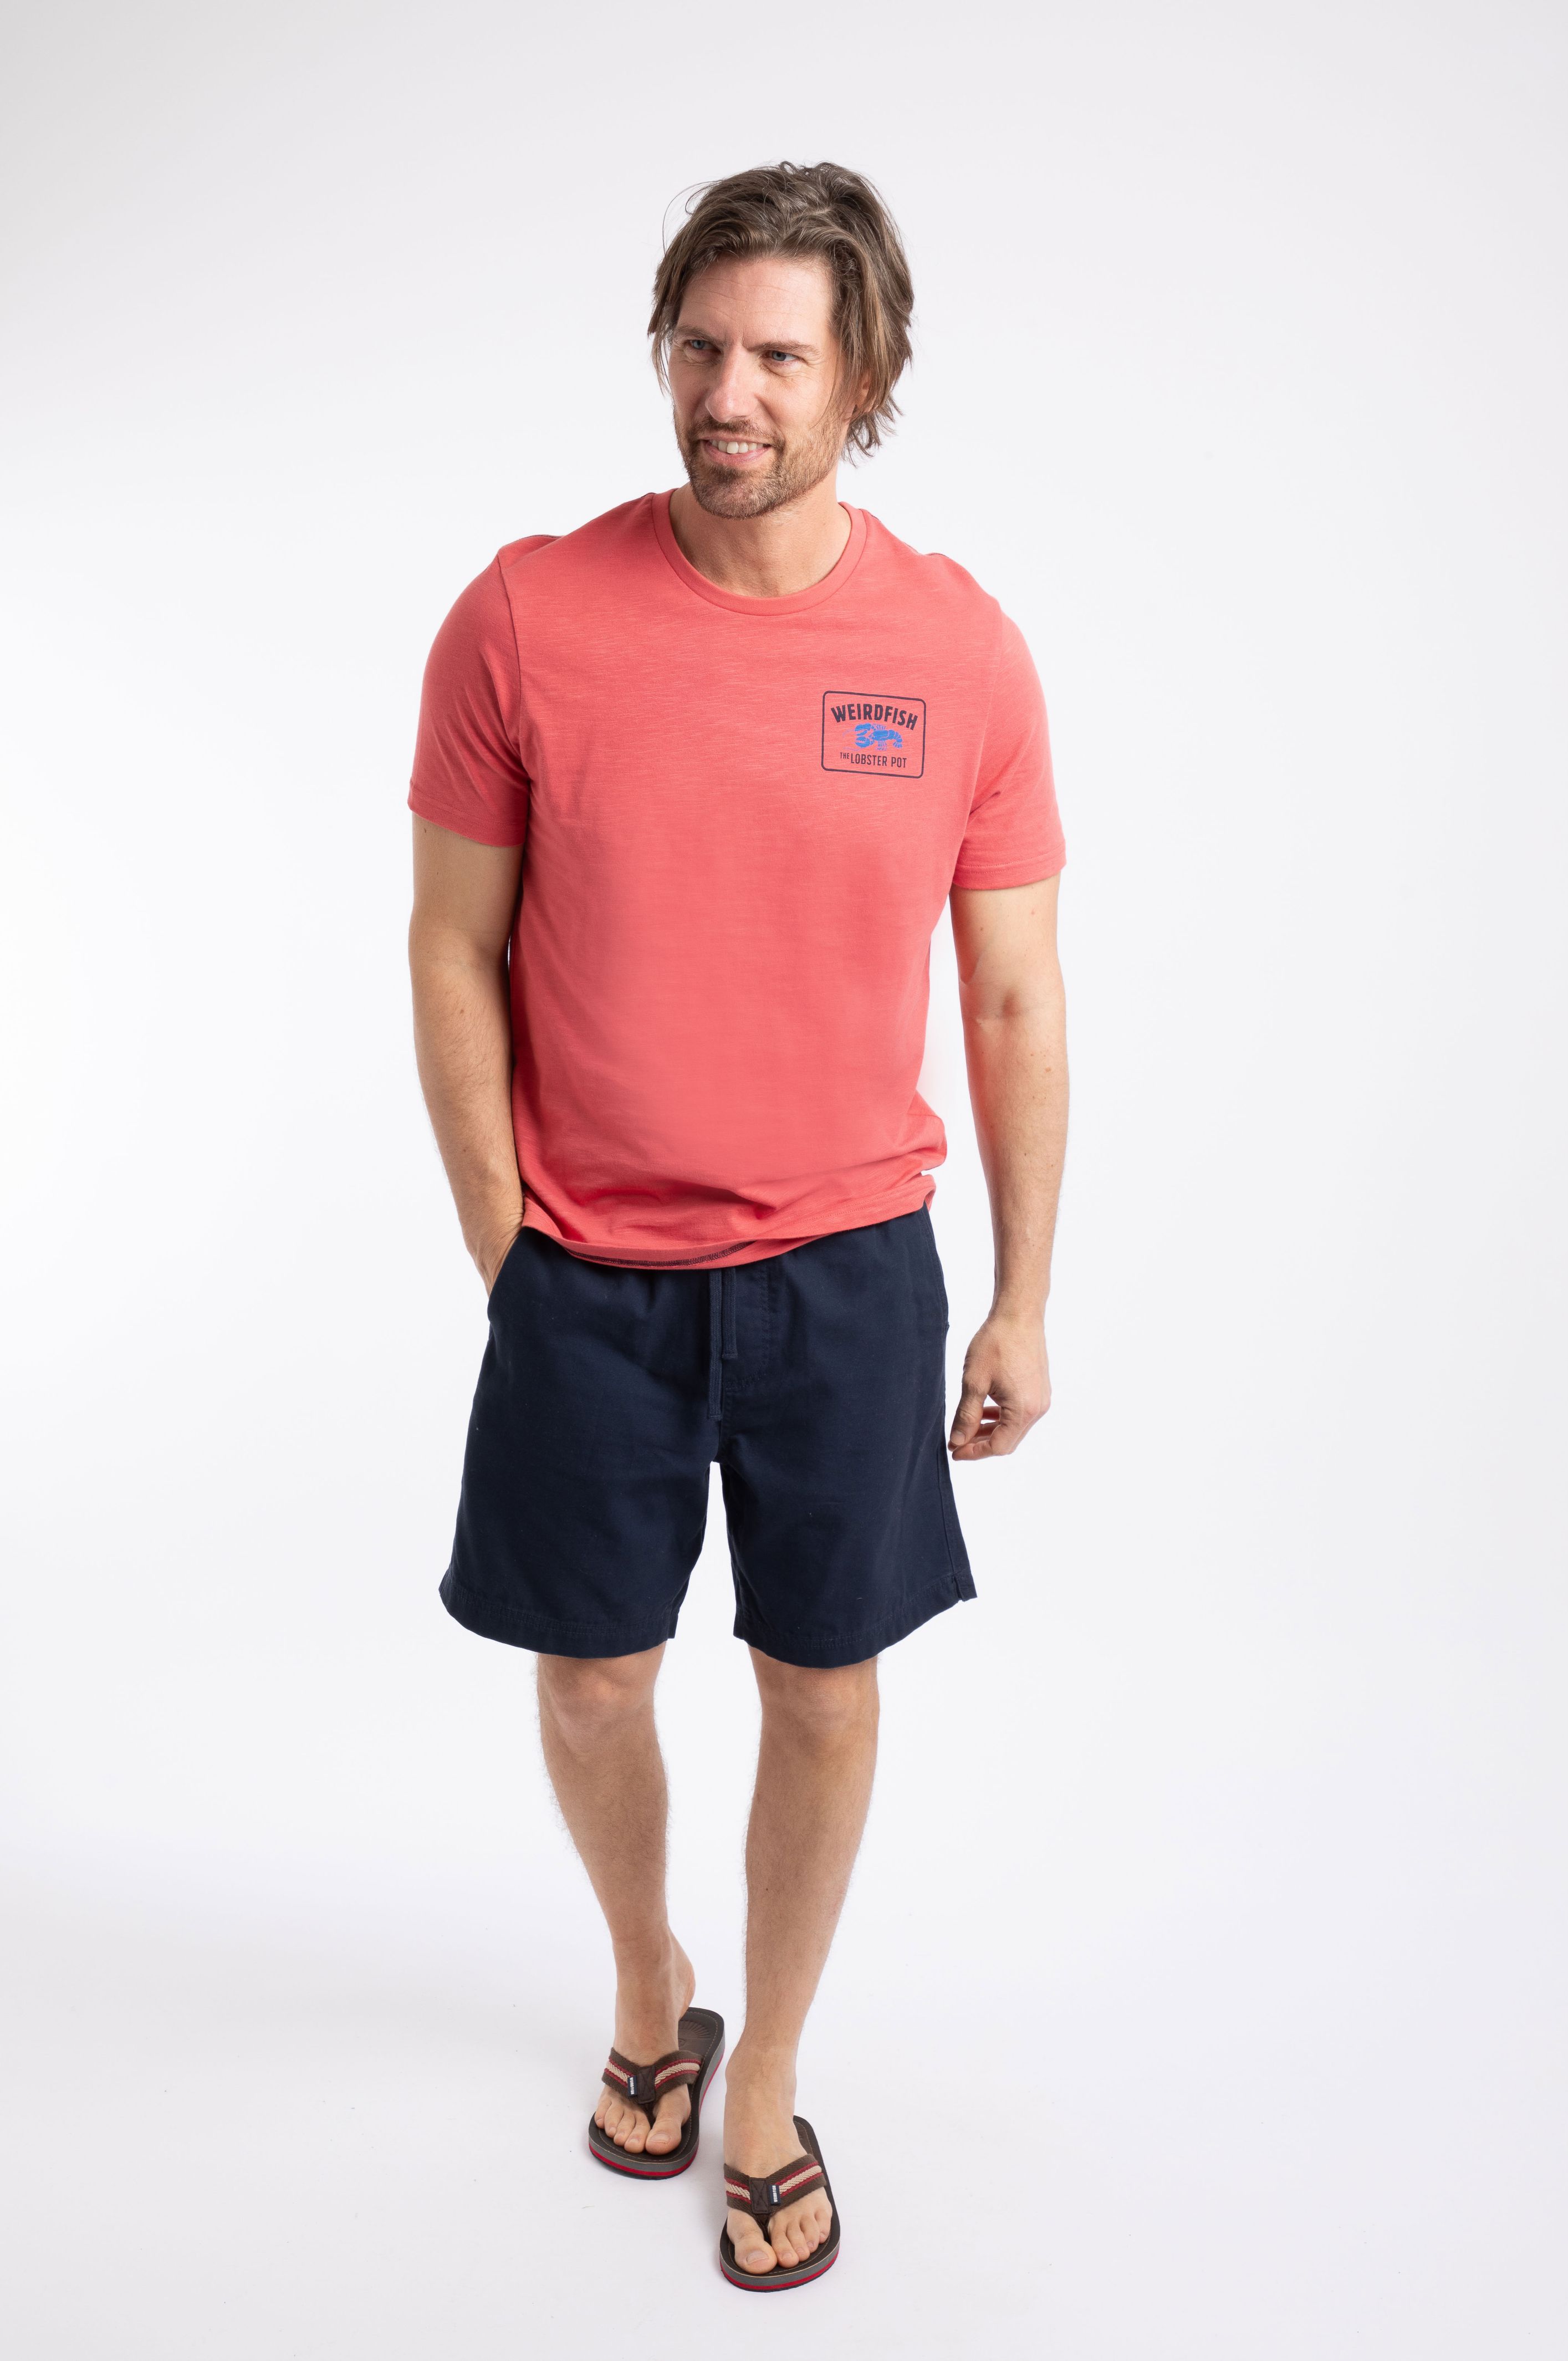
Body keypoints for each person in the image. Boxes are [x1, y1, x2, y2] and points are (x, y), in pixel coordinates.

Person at [406, 160, 1068, 2290]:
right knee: (592, 1680)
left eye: (780, 354)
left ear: (864, 378)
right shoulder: (526, 617)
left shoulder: (957, 649)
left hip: (850, 1271)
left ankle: (763, 2065)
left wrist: (1023, 1295)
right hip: (588, 1274)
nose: (728, 394)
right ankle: (648, 1978)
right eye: (700, 346)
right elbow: (449, 945)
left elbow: (1012, 991)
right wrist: (510, 1241)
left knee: (824, 1688)